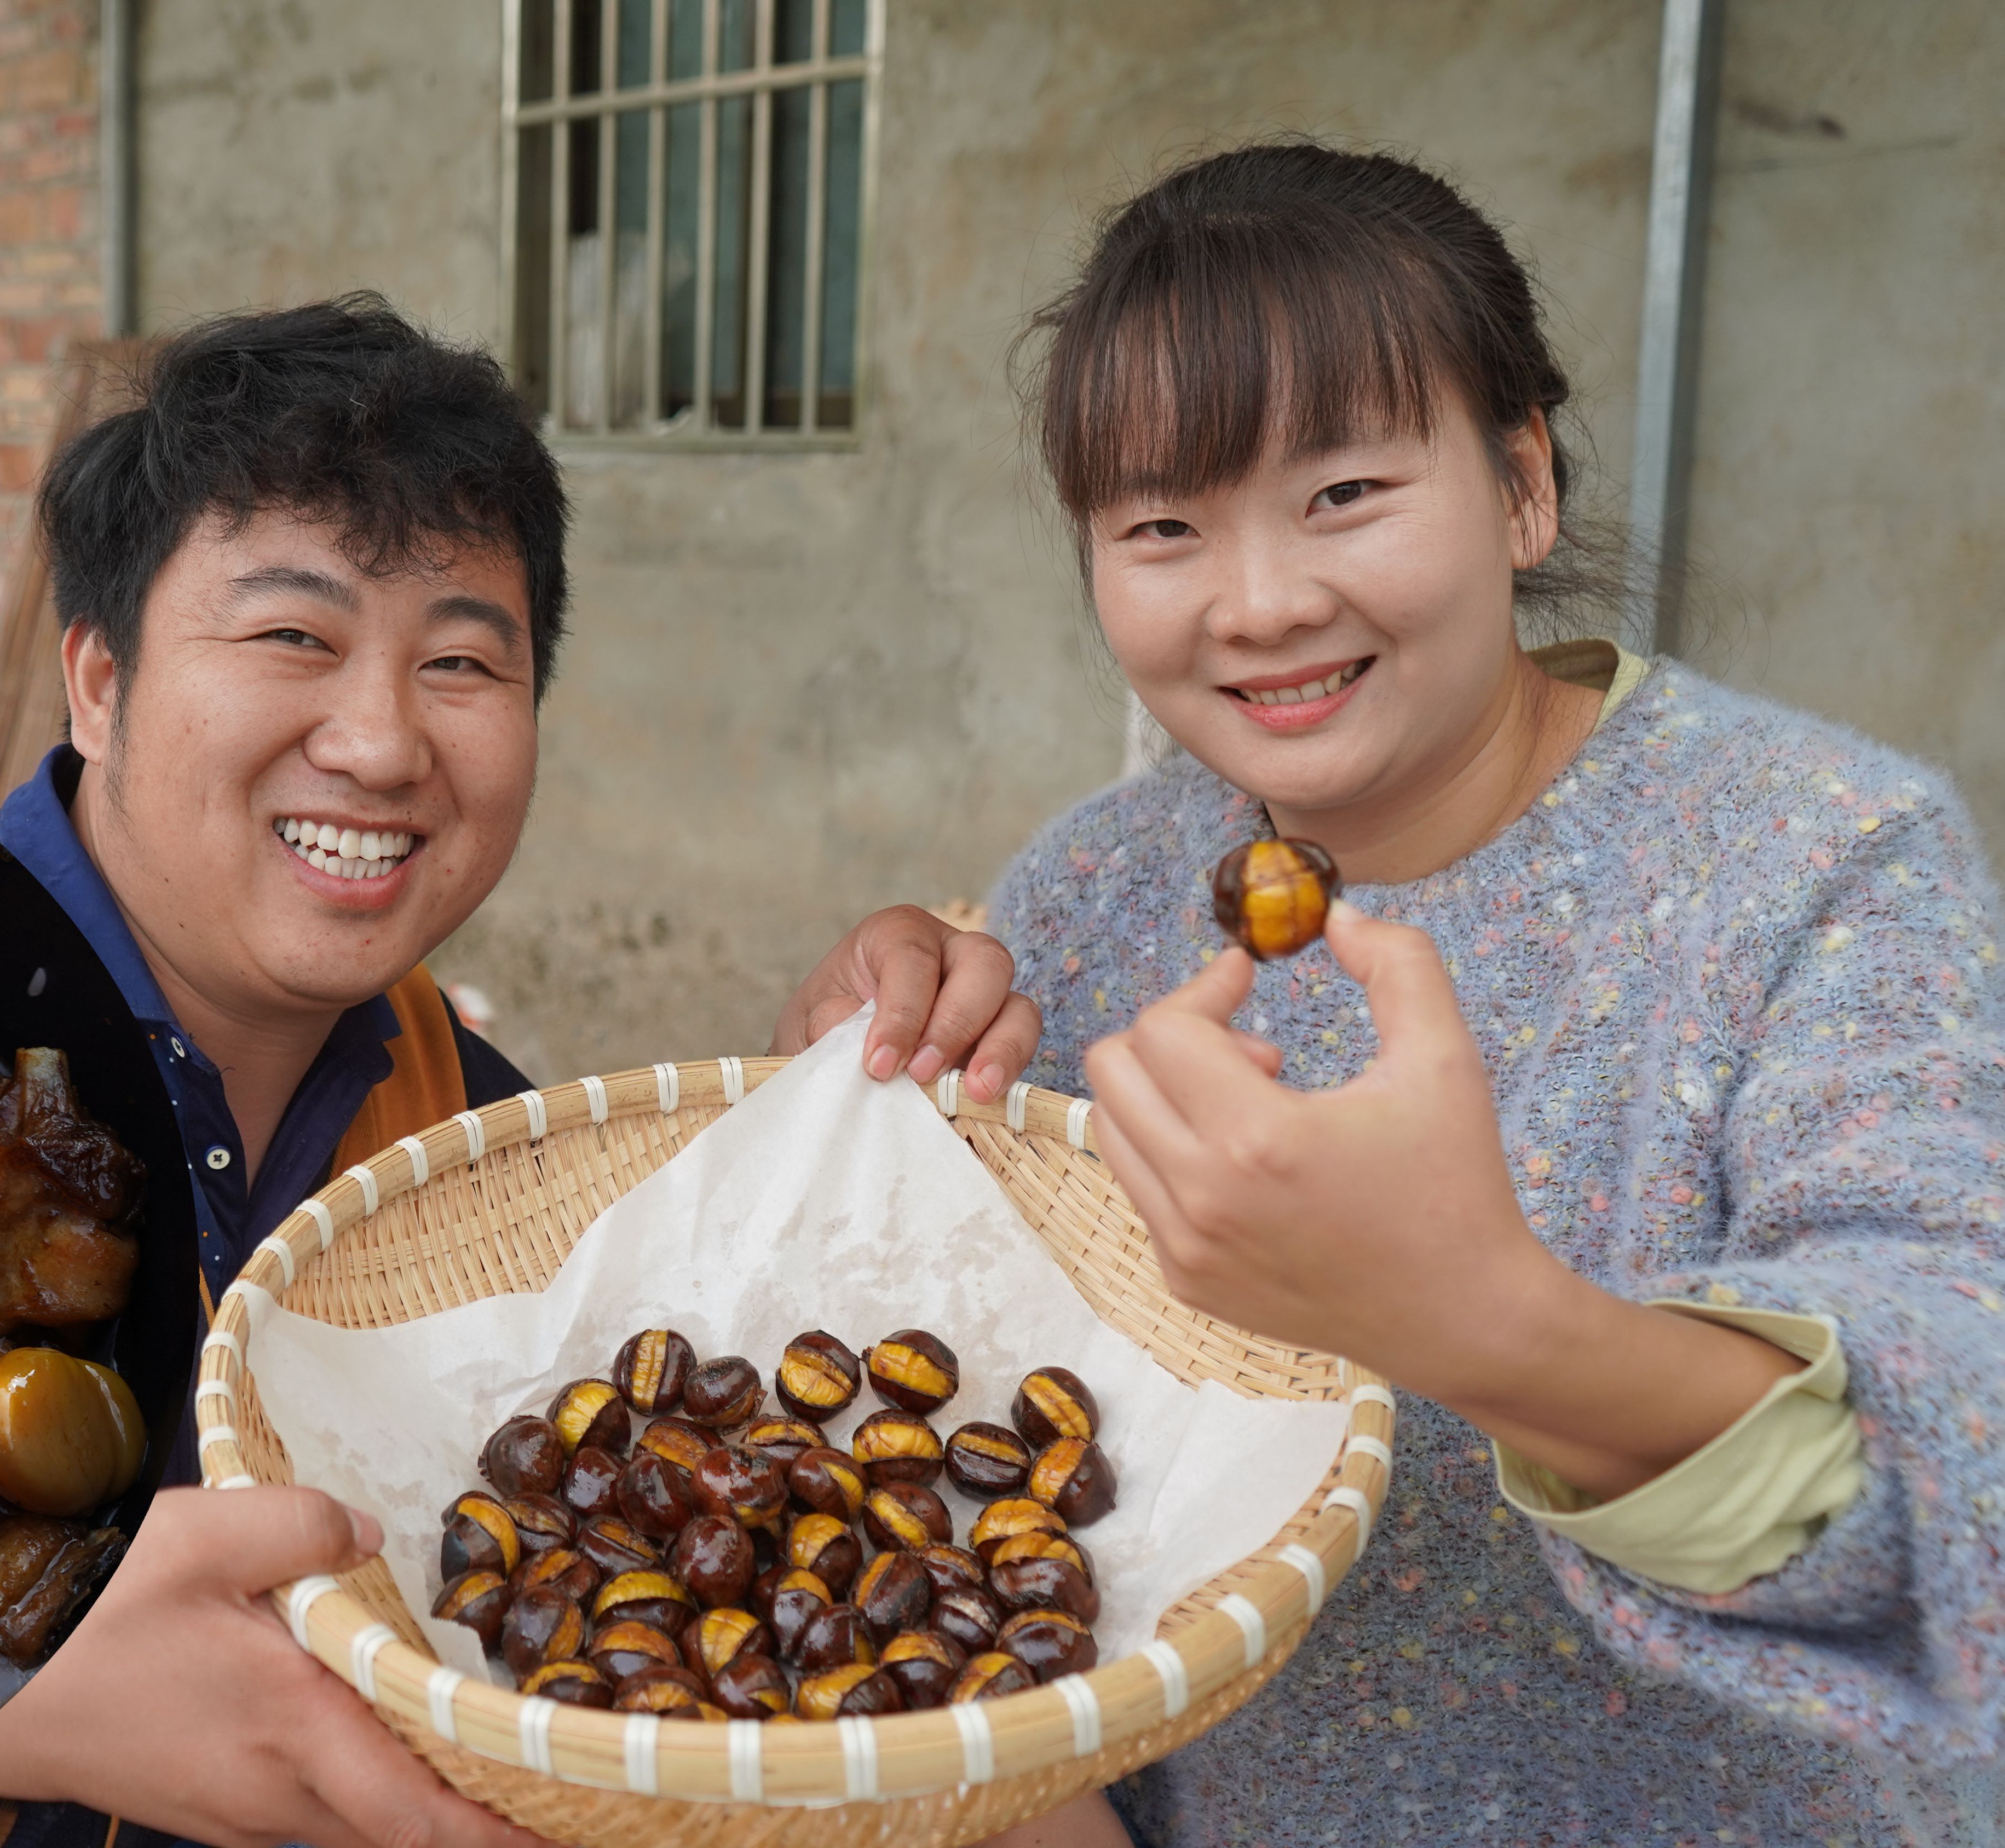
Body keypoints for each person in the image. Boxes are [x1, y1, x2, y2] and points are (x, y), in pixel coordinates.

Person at [781, 142, 2005, 1845]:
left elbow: (1962, 1453)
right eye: (1160, 527)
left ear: (1519, 487)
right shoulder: (1092, 884)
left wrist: (1487, 1324)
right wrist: (865, 1107)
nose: (1264, 600)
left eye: (1343, 493)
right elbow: (989, 1447)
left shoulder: (1817, 862)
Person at [0, 297, 563, 1848]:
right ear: (94, 685)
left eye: (461, 663)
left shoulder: (488, 1140)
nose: (376, 742)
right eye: (292, 635)